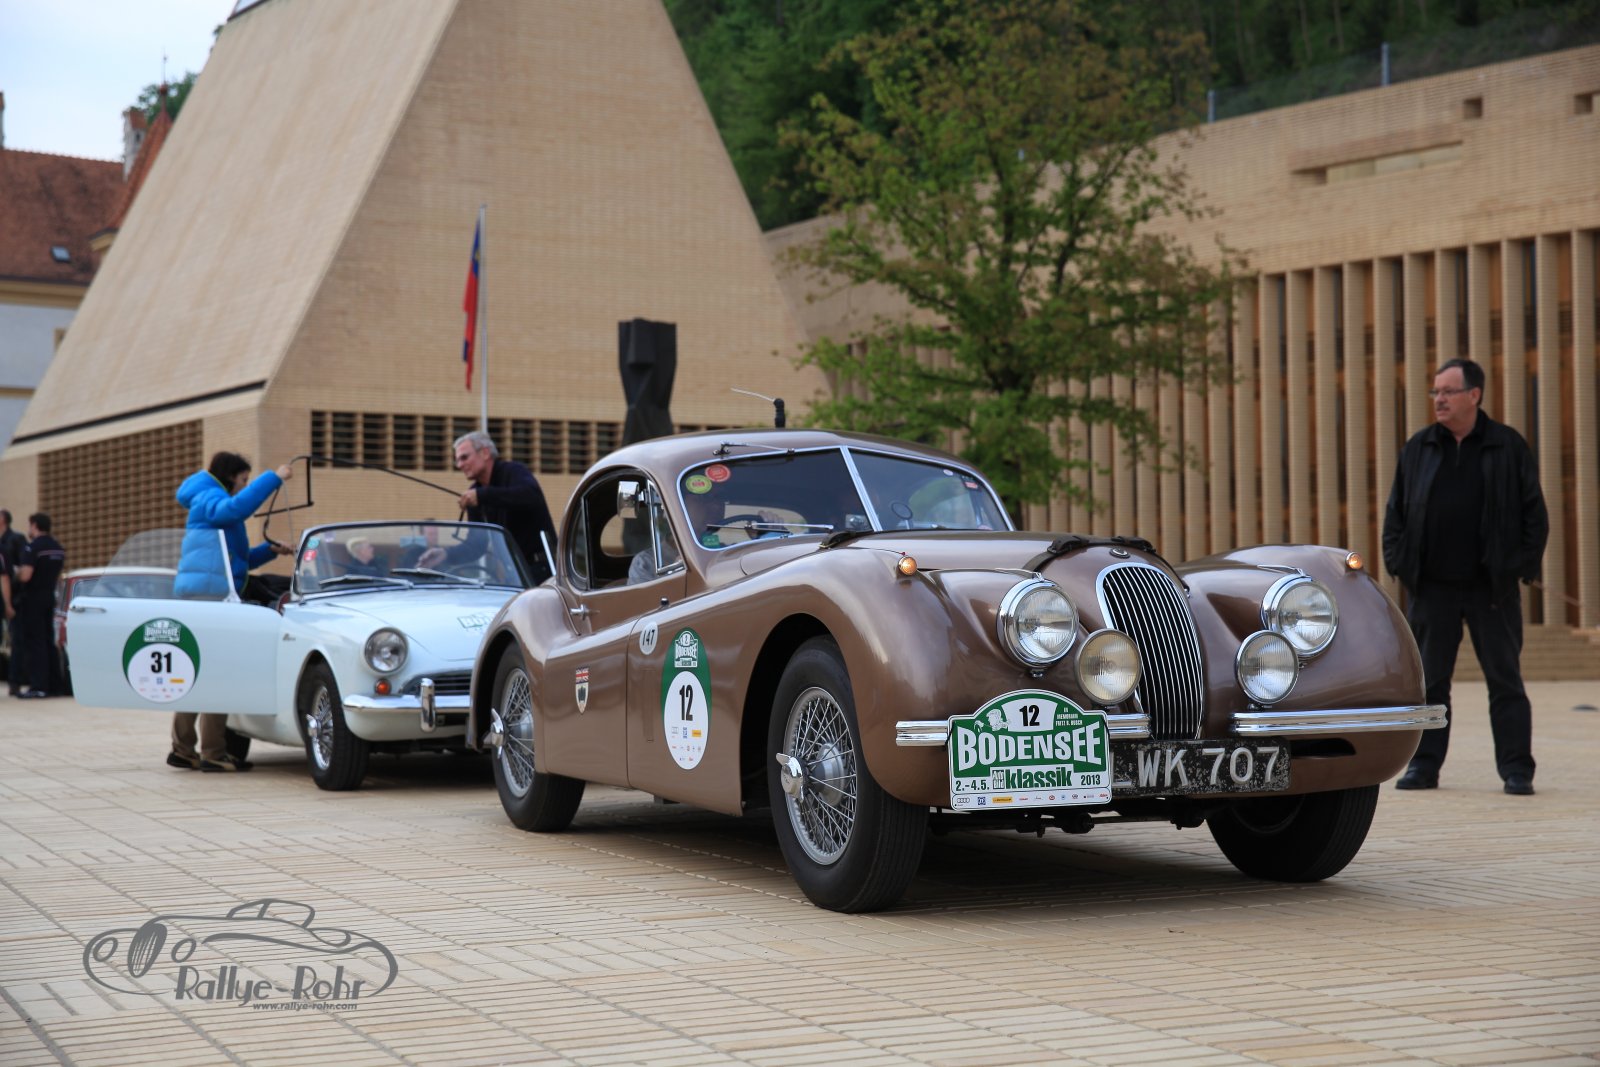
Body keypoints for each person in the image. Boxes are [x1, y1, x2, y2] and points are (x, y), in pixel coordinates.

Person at [1382, 358, 1548, 796]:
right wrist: (1398, 562)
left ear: (1474, 395)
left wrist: (1518, 567)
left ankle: (1517, 770)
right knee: (1431, 684)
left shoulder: (1507, 446)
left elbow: (1534, 515)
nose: (1439, 399)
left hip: (1490, 589)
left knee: (1505, 681)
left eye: (1448, 391)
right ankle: (1423, 766)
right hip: (1432, 589)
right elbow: (1395, 512)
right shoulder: (1419, 447)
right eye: (1435, 391)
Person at [170, 452, 295, 771]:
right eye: (243, 479)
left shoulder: (207, 500)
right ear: (229, 477)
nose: (244, 485)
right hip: (212, 597)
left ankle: (183, 749)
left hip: (208, 594)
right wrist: (273, 478)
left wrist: (270, 551)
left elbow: (238, 560)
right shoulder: (209, 498)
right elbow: (235, 509)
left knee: (198, 672)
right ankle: (213, 752)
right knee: (218, 672)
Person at [418, 431, 557, 584]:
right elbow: (476, 546)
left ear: (484, 453)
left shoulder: (514, 472)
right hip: (514, 574)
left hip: (544, 570)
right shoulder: (475, 493)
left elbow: (530, 495)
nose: (459, 465)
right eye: (457, 460)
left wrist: (483, 495)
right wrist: (445, 554)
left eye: (464, 457)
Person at [12, 513, 66, 698]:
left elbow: (26, 575)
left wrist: (16, 573)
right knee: (48, 640)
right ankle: (54, 685)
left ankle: (38, 686)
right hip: (49, 596)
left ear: (34, 525)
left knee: (35, 642)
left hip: (33, 598)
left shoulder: (33, 547)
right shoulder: (57, 547)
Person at [0, 509, 25, 696]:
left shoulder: (15, 539)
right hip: (6, 596)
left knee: (15, 640)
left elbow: (7, 576)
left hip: (13, 596)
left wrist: (8, 604)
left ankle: (15, 680)